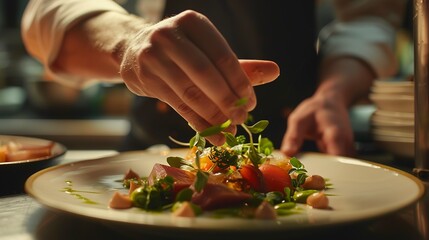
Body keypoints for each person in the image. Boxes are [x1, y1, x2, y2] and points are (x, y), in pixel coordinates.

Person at [20, 0, 408, 157]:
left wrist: (334, 92)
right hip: (148, 155)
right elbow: (44, 13)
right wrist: (128, 42)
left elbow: (369, 15)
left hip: (299, 151)